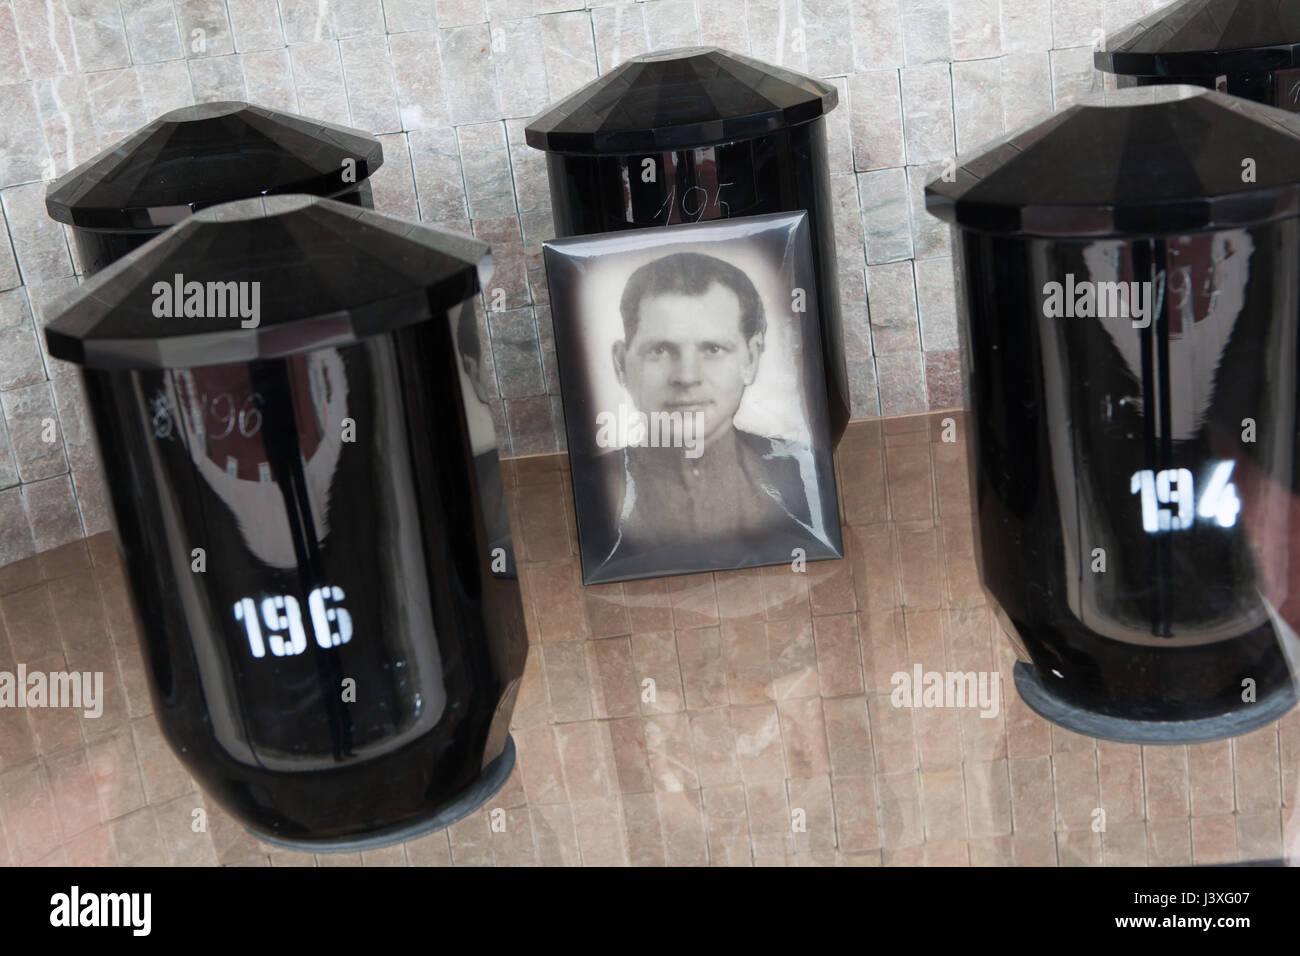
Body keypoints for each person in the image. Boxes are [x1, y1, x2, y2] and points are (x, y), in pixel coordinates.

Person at [585, 251, 834, 579]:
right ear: (621, 364)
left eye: (713, 349)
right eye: (660, 350)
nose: (687, 377)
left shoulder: (802, 476)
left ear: (752, 358)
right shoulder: (594, 496)